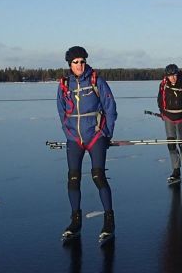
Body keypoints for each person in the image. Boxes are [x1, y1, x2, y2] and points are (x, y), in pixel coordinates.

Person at [57, 46, 118, 242]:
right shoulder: (64, 84)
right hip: (74, 138)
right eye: (76, 62)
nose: (80, 65)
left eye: (82, 61)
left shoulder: (96, 80)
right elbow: (61, 110)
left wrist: (106, 132)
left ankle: (109, 219)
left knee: (98, 176)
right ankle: (76, 220)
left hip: (95, 136)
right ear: (70, 64)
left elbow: (110, 108)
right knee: (73, 179)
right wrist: (68, 131)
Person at [158, 63, 182, 183]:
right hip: (169, 117)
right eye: (170, 76)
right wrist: (162, 112)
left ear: (177, 74)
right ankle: (176, 171)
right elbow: (160, 100)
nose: (173, 78)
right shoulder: (163, 85)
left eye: (174, 75)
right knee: (171, 144)